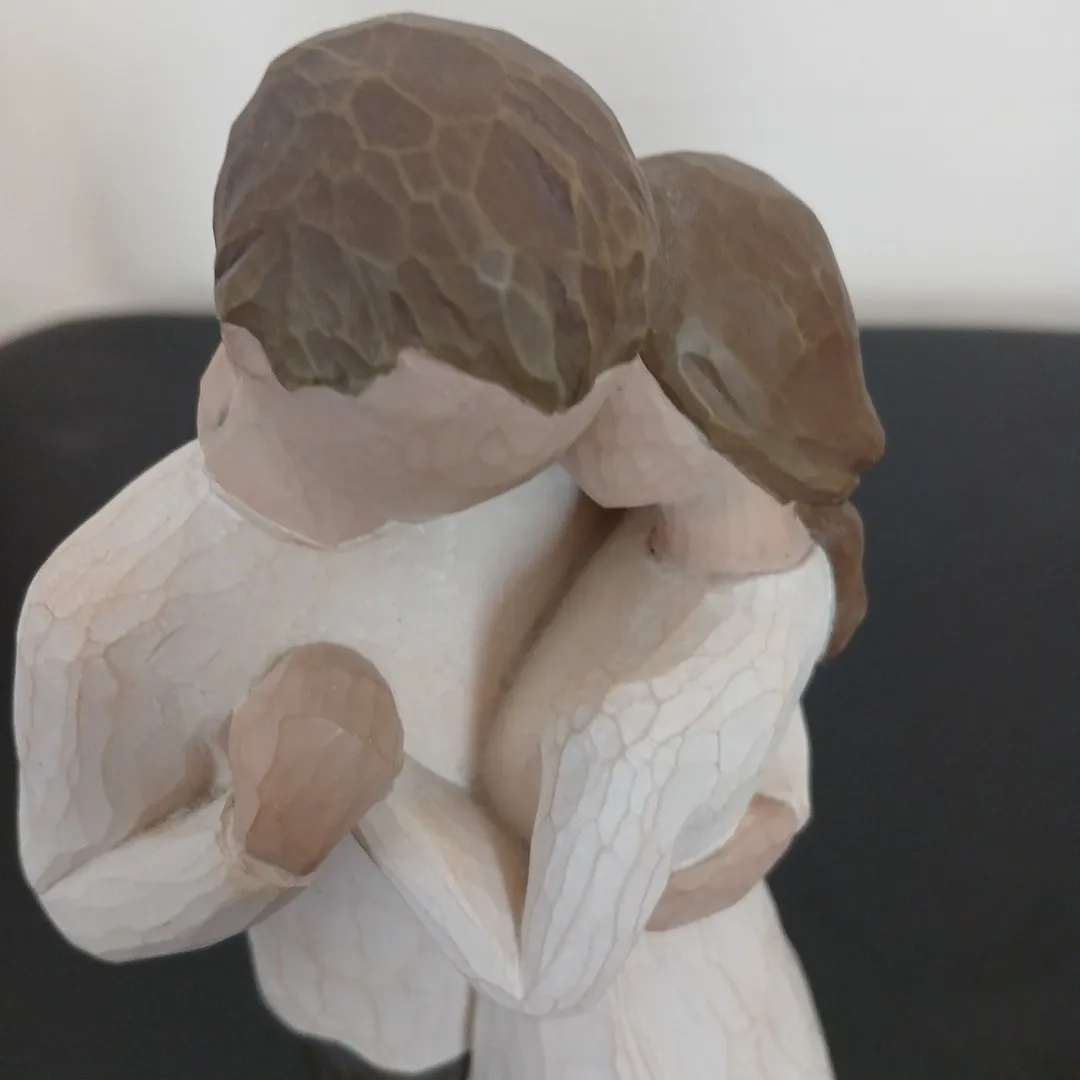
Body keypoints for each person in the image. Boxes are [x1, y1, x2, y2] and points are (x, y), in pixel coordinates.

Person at [14, 15, 657, 1079]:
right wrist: (257, 836)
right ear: (255, 353)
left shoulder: (571, 428)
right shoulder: (105, 614)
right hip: (379, 1019)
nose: (570, 463)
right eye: (470, 456)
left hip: (606, 985)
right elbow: (80, 892)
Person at [353, 151, 884, 1079]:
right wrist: (757, 811)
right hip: (706, 999)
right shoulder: (742, 557)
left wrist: (366, 771)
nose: (554, 404)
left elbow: (544, 970)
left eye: (597, 373)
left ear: (718, 390)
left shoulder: (638, 724)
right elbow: (760, 718)